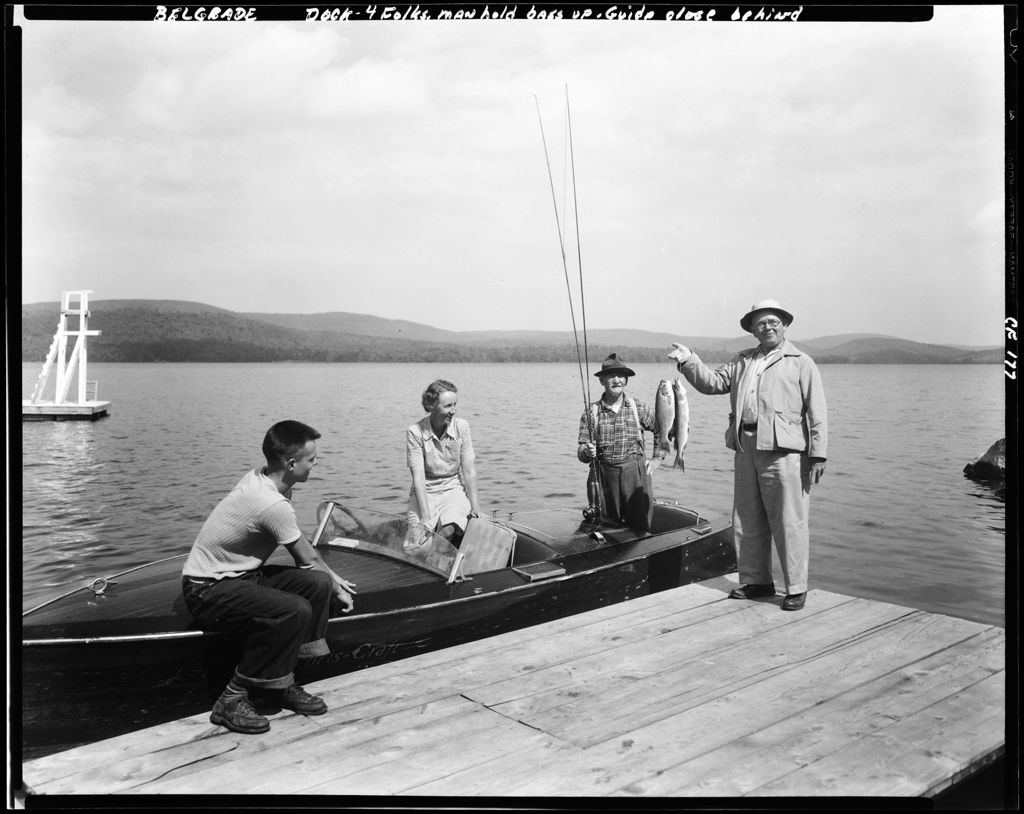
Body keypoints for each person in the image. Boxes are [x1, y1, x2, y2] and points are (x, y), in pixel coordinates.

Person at [181, 420, 356, 735]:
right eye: (311, 459)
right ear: (291, 463)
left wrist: (330, 579)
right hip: (206, 589)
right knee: (293, 609)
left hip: (242, 576)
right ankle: (232, 699)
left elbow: (308, 558)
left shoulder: (266, 478)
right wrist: (339, 587)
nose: (315, 464)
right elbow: (306, 558)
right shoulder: (271, 502)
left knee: (316, 584)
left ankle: (280, 682)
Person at [668, 299, 827, 611]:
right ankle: (756, 581)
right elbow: (712, 383)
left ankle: (795, 587)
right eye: (760, 323)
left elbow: (817, 410)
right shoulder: (742, 361)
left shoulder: (801, 361)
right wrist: (689, 361)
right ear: (753, 329)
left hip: (784, 451)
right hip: (745, 447)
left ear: (784, 325)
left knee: (788, 520)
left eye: (773, 322)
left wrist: (818, 454)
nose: (767, 327)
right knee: (747, 519)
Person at [577, 353, 664, 534]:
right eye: (611, 376)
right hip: (603, 477)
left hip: (636, 475)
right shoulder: (590, 412)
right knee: (607, 529)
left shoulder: (637, 407)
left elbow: (661, 430)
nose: (617, 380)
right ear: (602, 381)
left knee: (640, 529)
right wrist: (586, 450)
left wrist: (657, 458)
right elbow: (581, 452)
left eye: (621, 376)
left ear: (626, 380)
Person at [406, 379, 481, 546]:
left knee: (448, 530)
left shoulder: (462, 427)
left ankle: (443, 562)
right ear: (431, 405)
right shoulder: (415, 432)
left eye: (455, 405)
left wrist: (475, 508)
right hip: (425, 492)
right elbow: (418, 479)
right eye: (448, 406)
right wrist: (425, 517)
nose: (453, 411)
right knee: (417, 547)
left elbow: (469, 471)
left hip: (453, 489)